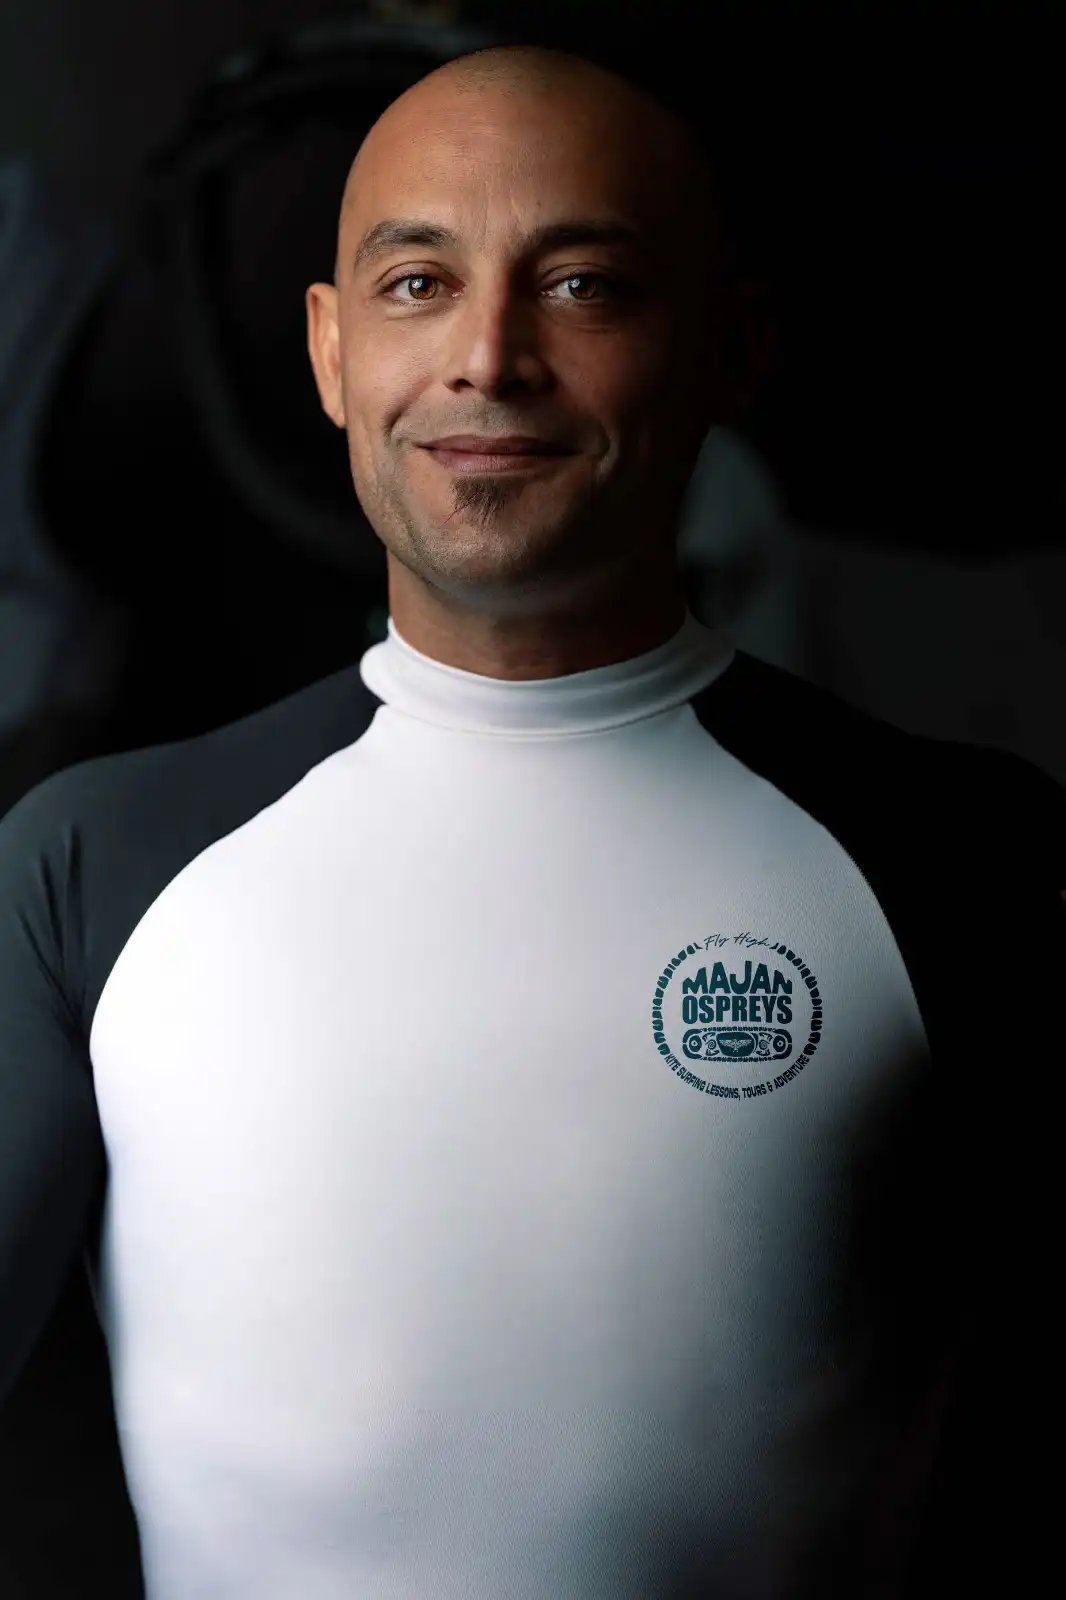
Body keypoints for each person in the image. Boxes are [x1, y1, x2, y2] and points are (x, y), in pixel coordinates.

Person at [1, 42, 1063, 1600]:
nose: (486, 358)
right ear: (328, 351)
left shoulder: (962, 860)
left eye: (581, 286)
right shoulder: (92, 867)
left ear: (730, 350)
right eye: (417, 285)